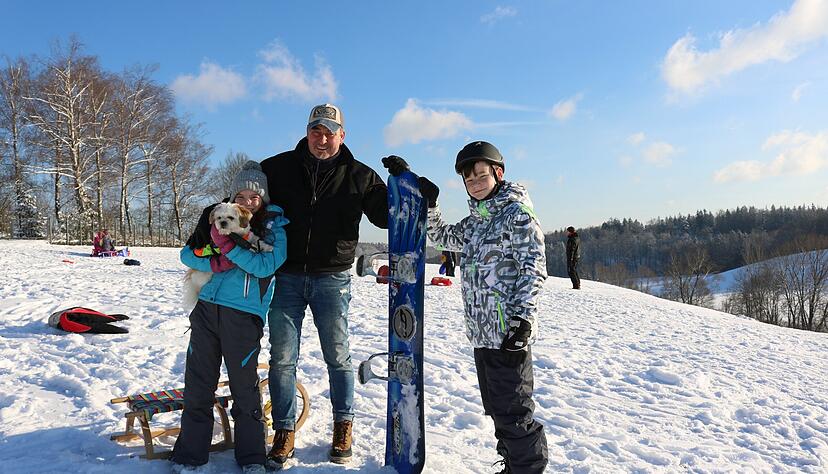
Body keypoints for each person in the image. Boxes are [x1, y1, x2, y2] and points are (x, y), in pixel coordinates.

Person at [260, 103, 393, 466]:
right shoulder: (276, 168)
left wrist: (405, 187)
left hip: (332, 278)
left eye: (329, 132)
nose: (322, 139)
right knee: (282, 359)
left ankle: (343, 426)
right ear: (306, 132)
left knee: (338, 356)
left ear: (342, 135)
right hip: (285, 275)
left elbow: (385, 217)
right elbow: (245, 199)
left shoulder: (360, 176)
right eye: (316, 131)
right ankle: (284, 432)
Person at [405, 141, 549, 473]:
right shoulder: (476, 222)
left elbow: (534, 268)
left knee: (514, 412)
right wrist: (432, 203)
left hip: (508, 333)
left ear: (498, 174)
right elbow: (441, 236)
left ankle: (527, 469)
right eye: (469, 180)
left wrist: (523, 319)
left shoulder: (517, 215)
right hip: (483, 334)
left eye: (481, 176)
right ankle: (514, 465)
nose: (475, 184)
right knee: (500, 410)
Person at [171, 161, 288, 474]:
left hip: (244, 314)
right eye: (242, 195)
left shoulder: (274, 228)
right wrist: (216, 260)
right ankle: (189, 456)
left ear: (262, 200)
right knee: (198, 383)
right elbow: (186, 254)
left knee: (244, 387)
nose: (247, 201)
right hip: (206, 308)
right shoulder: (215, 217)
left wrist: (229, 248)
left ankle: (251, 458)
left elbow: (266, 266)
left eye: (254, 197)